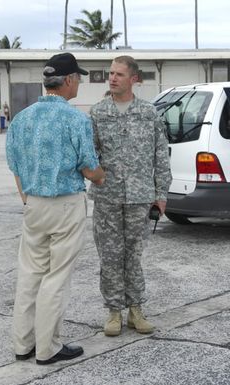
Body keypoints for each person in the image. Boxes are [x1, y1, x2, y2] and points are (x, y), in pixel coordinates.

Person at [6, 52, 105, 365]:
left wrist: (27, 199)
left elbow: (15, 166)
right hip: (65, 205)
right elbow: (90, 169)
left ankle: (23, 345)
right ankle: (48, 348)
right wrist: (103, 176)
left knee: (30, 274)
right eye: (79, 78)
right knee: (56, 277)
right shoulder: (76, 119)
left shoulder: (22, 118)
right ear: (70, 80)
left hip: (34, 205)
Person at [88, 55, 172, 336]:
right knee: (110, 256)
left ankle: (136, 309)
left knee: (133, 256)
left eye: (119, 74)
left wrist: (161, 194)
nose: (112, 78)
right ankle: (114, 312)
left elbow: (161, 155)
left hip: (140, 197)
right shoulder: (98, 113)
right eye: (111, 73)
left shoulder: (148, 113)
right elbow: (91, 154)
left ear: (134, 79)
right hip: (107, 196)